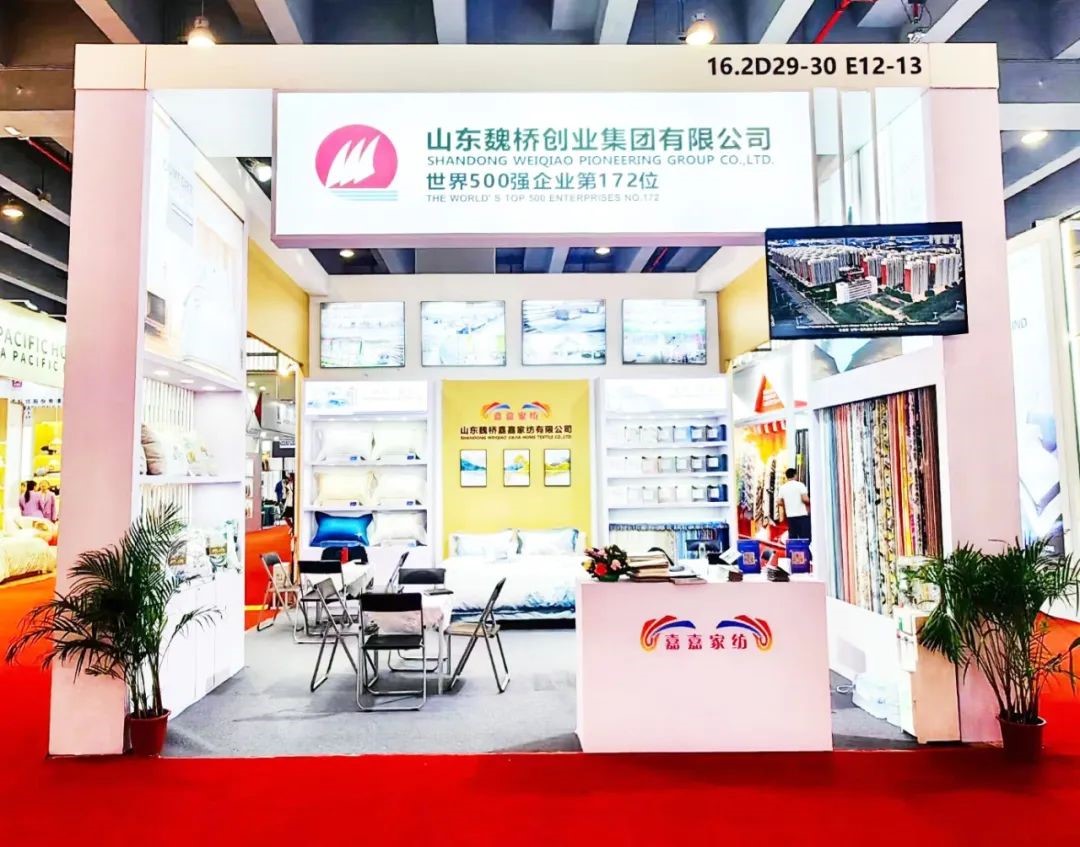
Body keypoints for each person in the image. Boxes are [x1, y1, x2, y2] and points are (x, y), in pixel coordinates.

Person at [779, 468, 811, 541]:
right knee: (804, 538)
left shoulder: (783, 487)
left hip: (790, 516)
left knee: (793, 538)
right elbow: (805, 499)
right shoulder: (800, 485)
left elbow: (779, 502)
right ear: (795, 475)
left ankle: (794, 548)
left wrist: (787, 503)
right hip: (802, 515)